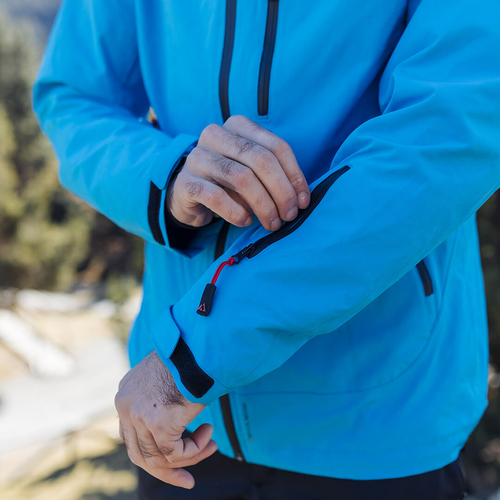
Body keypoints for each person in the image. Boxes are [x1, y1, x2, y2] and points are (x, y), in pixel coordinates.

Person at [33, 0, 500, 498]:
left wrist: (197, 351)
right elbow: (75, 97)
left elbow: (448, 129)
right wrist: (168, 174)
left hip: (374, 422)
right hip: (179, 424)